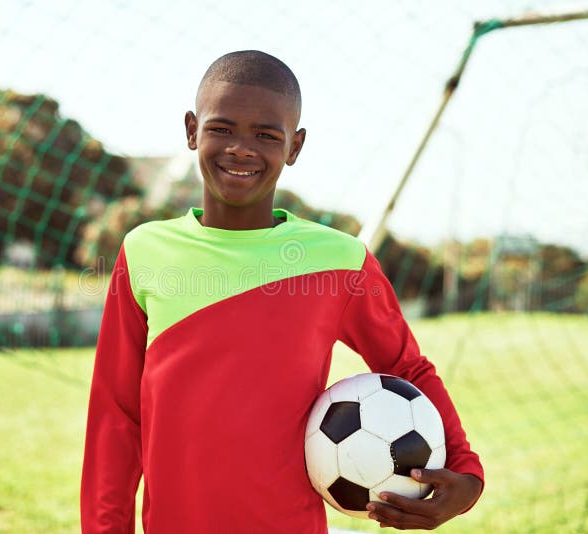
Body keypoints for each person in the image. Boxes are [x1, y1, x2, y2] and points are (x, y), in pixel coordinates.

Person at [81, 50, 484, 533]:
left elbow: (406, 366)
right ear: (192, 130)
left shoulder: (340, 260)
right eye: (222, 128)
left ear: (295, 146)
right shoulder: (144, 250)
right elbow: (116, 413)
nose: (241, 149)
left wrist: (465, 471)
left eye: (266, 135)